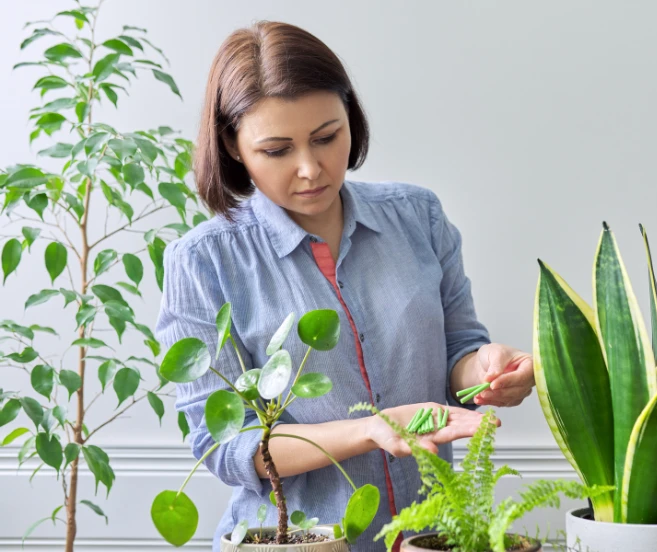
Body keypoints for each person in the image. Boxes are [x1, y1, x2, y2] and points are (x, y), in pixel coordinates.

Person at [155, 21, 535, 552]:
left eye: (327, 137)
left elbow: (458, 351)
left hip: (438, 538)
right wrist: (370, 429)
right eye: (277, 150)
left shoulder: (417, 216)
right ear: (233, 146)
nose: (310, 168)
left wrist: (487, 368)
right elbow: (227, 448)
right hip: (299, 542)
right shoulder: (202, 262)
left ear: (350, 118)